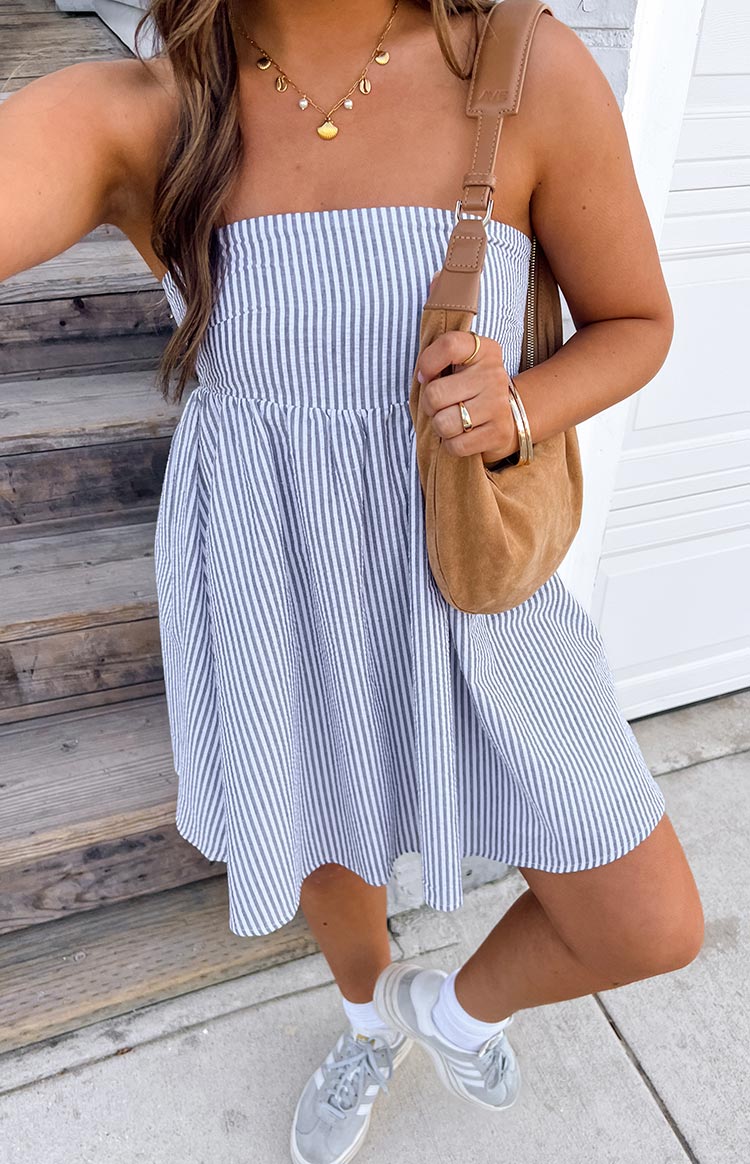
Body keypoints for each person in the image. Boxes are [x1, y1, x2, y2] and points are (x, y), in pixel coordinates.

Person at [1, 0, 705, 1161]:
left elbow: (637, 319)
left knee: (646, 921)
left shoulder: (525, 66)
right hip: (275, 582)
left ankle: (449, 1013)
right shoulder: (150, 110)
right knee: (332, 845)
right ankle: (371, 1023)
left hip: (472, 582)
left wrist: (520, 405)